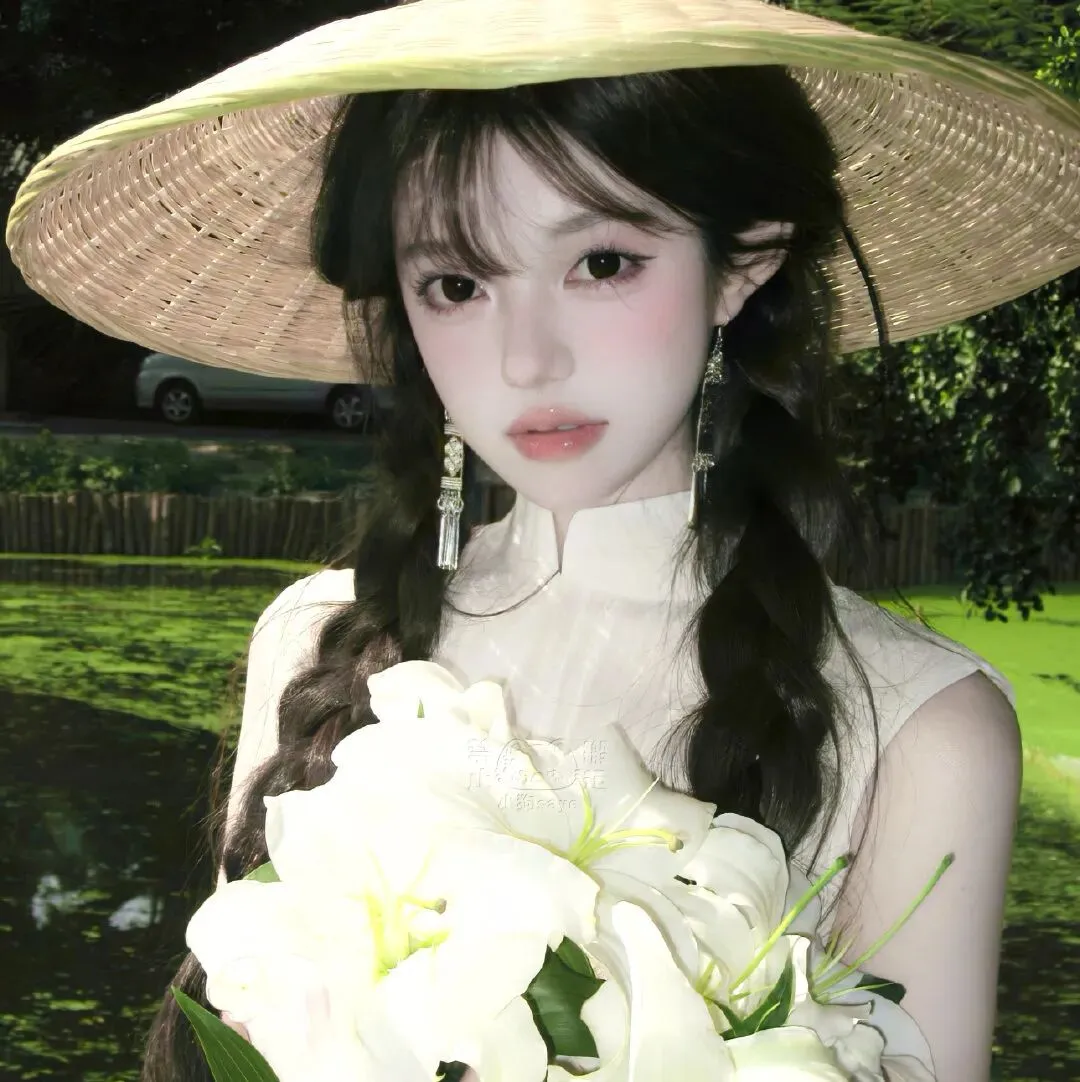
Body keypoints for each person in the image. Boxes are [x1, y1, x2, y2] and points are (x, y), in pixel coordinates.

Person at [7, 2, 1079, 1079]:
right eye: (457, 285)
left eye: (603, 263)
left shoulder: (919, 729)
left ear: (744, 263)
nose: (527, 360)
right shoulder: (310, 640)